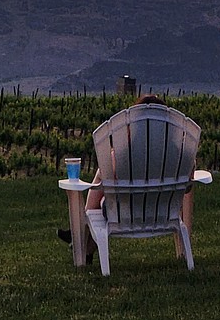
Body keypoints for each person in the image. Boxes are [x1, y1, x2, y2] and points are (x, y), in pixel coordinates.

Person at [57, 94, 198, 262]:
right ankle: (84, 246)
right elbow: (188, 187)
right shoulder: (183, 155)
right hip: (165, 212)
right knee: (105, 175)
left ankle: (79, 235)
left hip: (124, 215)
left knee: (104, 175)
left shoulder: (122, 155)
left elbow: (110, 184)